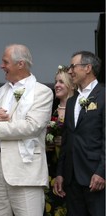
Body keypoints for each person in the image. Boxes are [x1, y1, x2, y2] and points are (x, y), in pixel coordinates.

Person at [0, 44, 53, 216]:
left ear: (20, 64)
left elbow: (32, 126)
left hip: (25, 169)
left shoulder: (41, 92)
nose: (1, 66)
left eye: (5, 62)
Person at [53, 51, 105, 216]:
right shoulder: (72, 101)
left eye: (73, 66)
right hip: (71, 178)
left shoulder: (103, 96)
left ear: (88, 68)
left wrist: (102, 172)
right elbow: (67, 139)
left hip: (95, 177)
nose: (70, 71)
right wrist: (60, 173)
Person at [44, 65, 75, 216]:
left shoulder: (78, 111)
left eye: (61, 82)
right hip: (52, 169)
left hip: (71, 171)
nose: (56, 85)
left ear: (71, 85)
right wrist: (47, 143)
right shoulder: (51, 111)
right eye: (56, 82)